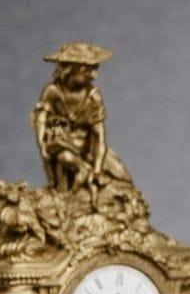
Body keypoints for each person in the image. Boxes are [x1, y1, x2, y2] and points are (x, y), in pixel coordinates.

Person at [31, 42, 132, 204]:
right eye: (88, 71)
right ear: (71, 71)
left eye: (95, 70)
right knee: (66, 159)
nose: (93, 76)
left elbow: (100, 138)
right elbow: (40, 120)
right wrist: (42, 145)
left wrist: (98, 170)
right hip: (62, 149)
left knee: (124, 181)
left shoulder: (93, 96)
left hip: (91, 154)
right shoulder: (52, 92)